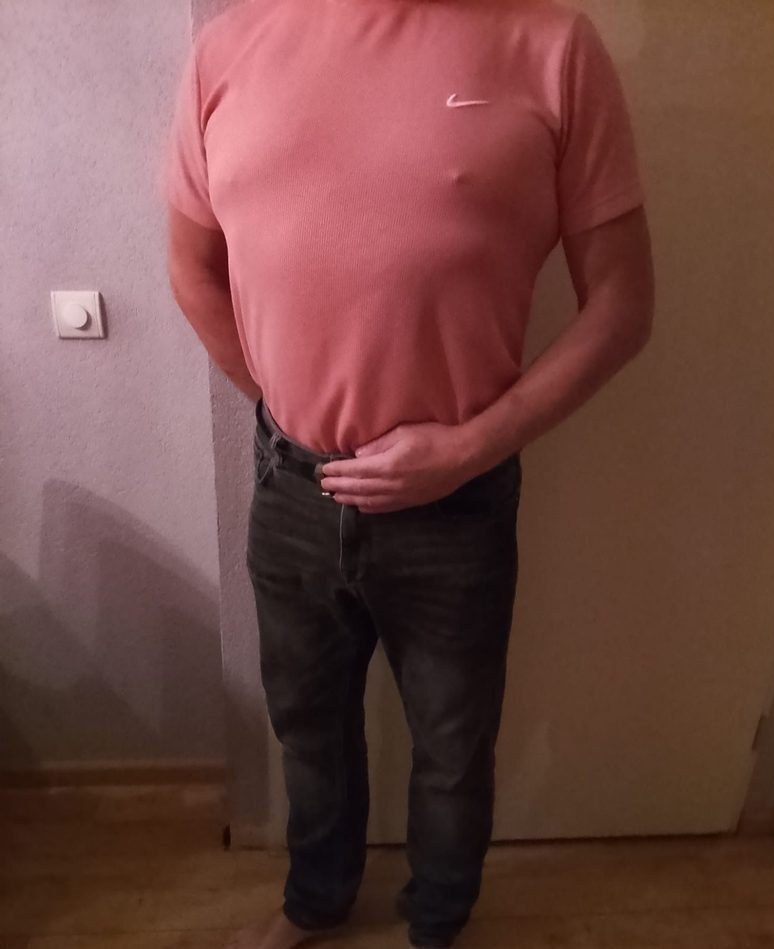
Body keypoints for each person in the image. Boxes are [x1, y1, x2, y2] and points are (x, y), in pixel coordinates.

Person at [161, 0, 654, 946]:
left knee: (453, 746)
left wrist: (471, 446)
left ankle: (437, 924)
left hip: (458, 504)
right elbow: (191, 267)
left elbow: (623, 304)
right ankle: (316, 902)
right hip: (291, 489)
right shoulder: (226, 50)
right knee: (307, 728)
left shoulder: (552, 48)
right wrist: (286, 405)